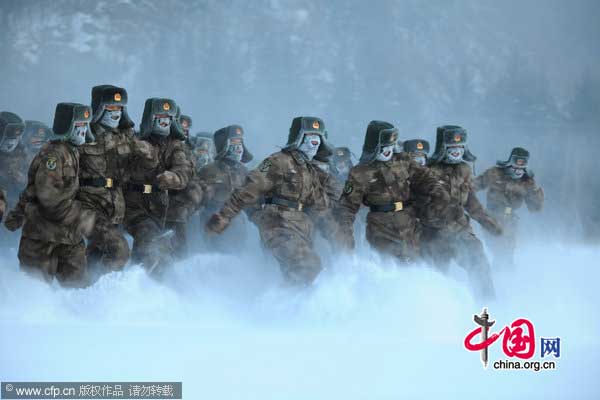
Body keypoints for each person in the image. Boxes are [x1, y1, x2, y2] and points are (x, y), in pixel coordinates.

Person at [206, 116, 332, 285]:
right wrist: (224, 217)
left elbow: (321, 207)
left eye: (317, 139)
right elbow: (249, 189)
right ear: (298, 138)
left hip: (302, 229)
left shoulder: (310, 171)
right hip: (278, 225)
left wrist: (340, 239)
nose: (313, 144)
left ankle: (285, 306)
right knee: (307, 266)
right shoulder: (277, 161)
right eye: (309, 138)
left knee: (302, 273)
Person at [334, 121, 448, 262]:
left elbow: (425, 177)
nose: (388, 150)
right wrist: (346, 239)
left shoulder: (403, 160)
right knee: (391, 265)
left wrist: (438, 195)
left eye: (390, 145)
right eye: (384, 146)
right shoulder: (359, 172)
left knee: (418, 262)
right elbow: (346, 207)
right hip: (381, 227)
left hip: (409, 222)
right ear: (374, 145)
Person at [78, 85, 156, 275]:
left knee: (99, 252)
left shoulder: (126, 137)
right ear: (99, 108)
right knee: (118, 249)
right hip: (86, 205)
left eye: (120, 109)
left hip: (115, 205)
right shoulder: (83, 133)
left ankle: (85, 289)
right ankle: (99, 290)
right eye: (111, 108)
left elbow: (139, 169)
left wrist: (147, 155)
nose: (116, 113)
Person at [17, 103, 96, 287]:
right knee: (34, 293)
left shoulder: (73, 151)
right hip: (43, 236)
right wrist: (80, 216)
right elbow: (47, 195)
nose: (83, 130)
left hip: (68, 237)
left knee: (78, 292)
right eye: (79, 125)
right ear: (67, 126)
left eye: (85, 125)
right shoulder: (53, 154)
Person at [422, 125, 502, 300]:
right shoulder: (427, 171)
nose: (456, 152)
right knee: (433, 275)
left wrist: (488, 222)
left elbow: (471, 202)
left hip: (460, 230)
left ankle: (489, 305)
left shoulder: (464, 170)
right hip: (433, 233)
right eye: (452, 148)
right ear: (443, 149)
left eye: (460, 148)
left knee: (479, 260)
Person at [123, 98, 192, 273]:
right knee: (149, 238)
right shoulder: (135, 142)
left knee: (164, 251)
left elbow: (184, 172)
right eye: (160, 117)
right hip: (133, 205)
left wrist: (171, 177)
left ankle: (140, 284)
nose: (164, 121)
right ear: (150, 118)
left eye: (168, 118)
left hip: (160, 207)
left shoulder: (176, 146)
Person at [474, 147, 544, 267]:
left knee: (506, 251)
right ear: (510, 161)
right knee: (495, 246)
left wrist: (534, 191)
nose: (518, 170)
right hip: (491, 216)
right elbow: (475, 185)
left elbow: (535, 208)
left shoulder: (527, 181)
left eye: (522, 165)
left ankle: (506, 274)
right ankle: (491, 269)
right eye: (516, 164)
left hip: (509, 219)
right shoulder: (495, 173)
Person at [195, 125, 254, 251]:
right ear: (224, 145)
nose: (238, 148)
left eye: (240, 143)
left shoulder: (244, 171)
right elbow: (197, 197)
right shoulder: (208, 170)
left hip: (237, 222)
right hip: (212, 219)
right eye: (234, 142)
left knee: (236, 255)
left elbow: (252, 198)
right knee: (214, 254)